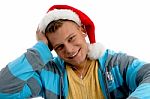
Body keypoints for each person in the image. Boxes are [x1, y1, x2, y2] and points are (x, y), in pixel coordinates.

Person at [0, 4, 150, 99]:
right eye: (59, 46)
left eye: (71, 38)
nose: (69, 50)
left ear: (83, 30)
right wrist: (39, 50)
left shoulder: (115, 64)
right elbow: (3, 90)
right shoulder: (48, 74)